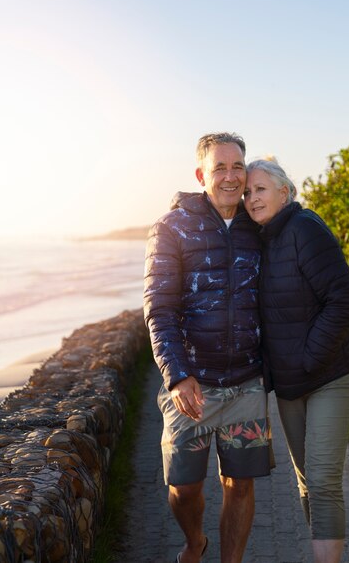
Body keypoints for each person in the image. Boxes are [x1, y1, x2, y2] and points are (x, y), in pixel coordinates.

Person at [143, 133, 274, 563]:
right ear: (202, 175)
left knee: (241, 484)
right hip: (192, 386)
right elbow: (159, 308)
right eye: (221, 167)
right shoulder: (171, 228)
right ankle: (194, 540)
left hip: (245, 383)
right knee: (184, 488)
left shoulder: (259, 225)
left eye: (238, 166)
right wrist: (177, 375)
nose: (232, 176)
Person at [244, 157, 349, 563]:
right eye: (247, 192)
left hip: (330, 374)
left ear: (285, 191)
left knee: (324, 480)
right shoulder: (262, 240)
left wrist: (309, 357)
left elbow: (345, 301)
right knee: (307, 482)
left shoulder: (304, 229)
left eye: (260, 189)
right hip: (292, 383)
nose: (252, 198)